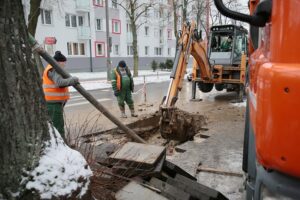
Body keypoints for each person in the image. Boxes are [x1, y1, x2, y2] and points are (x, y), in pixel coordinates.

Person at [42, 51, 79, 140]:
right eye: (64, 62)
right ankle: (61, 145)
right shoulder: (54, 69)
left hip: (53, 102)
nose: (65, 64)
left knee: (55, 125)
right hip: (53, 103)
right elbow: (60, 83)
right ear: (59, 62)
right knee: (58, 127)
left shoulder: (51, 68)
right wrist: (73, 80)